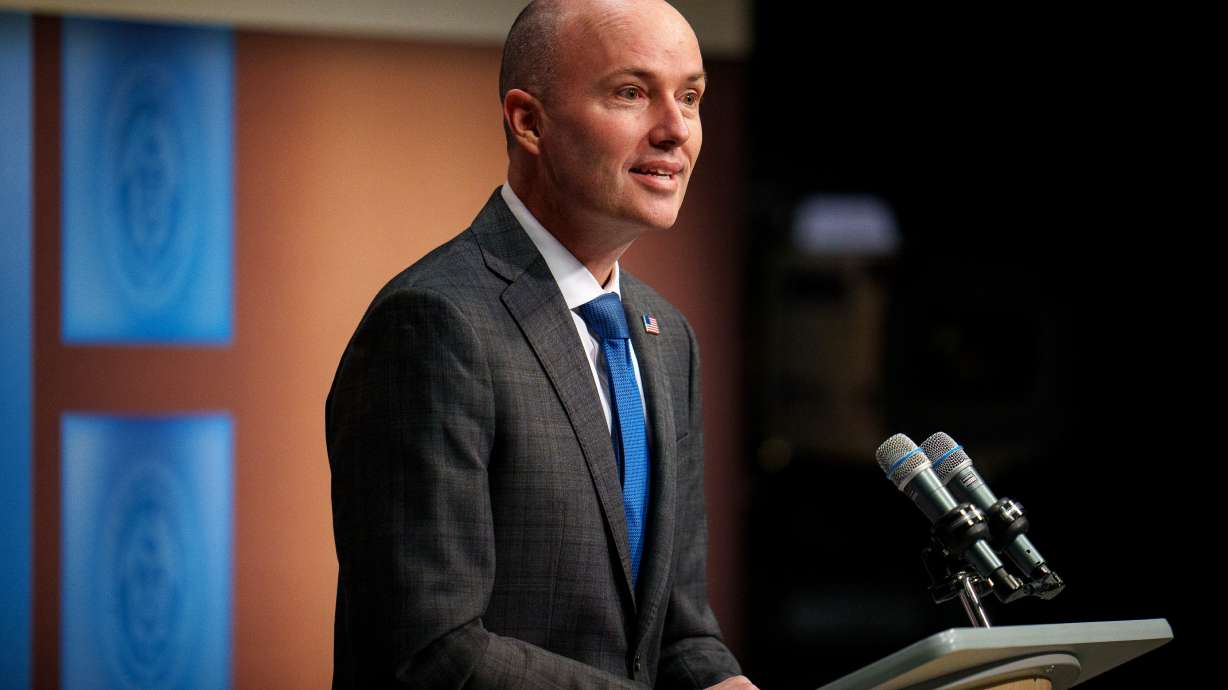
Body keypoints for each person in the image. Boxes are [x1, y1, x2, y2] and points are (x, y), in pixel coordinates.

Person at [326, 1, 757, 687]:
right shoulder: (434, 323)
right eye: (632, 93)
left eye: (691, 97)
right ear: (529, 121)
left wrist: (721, 680)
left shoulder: (666, 337)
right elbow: (431, 652)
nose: (676, 130)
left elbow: (679, 629)